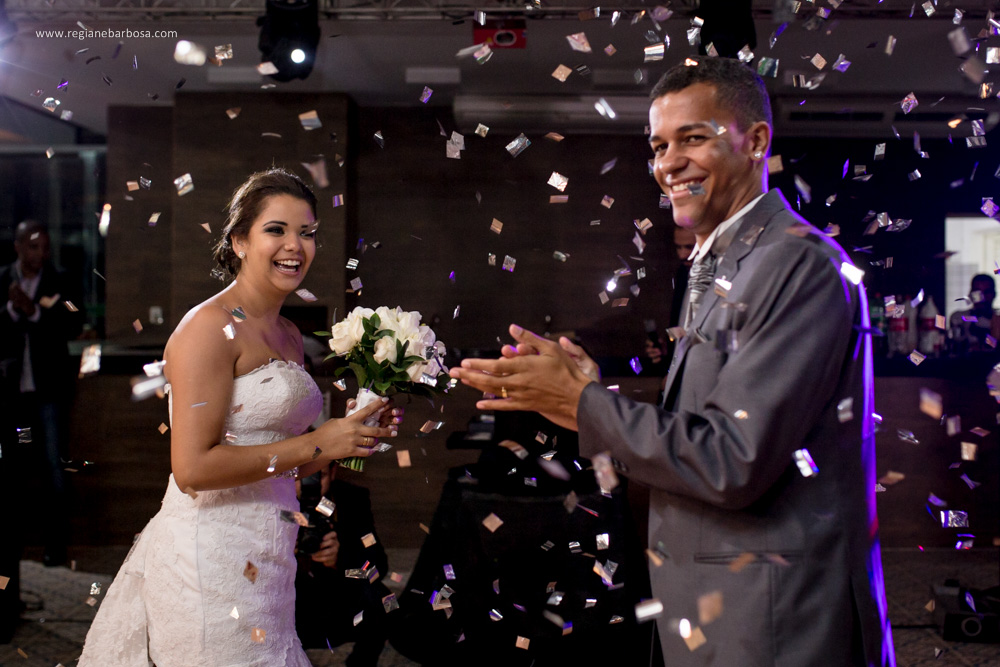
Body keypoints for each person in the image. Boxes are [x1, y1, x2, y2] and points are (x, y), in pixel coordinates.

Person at [450, 57, 895, 666]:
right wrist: (590, 391)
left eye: (693, 139)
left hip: (772, 616)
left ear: (756, 141)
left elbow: (732, 462)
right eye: (659, 145)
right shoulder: (721, 260)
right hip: (714, 603)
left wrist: (583, 406)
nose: (668, 163)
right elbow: (708, 422)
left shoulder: (797, 264)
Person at [77, 168, 401, 666]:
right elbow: (193, 471)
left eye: (307, 232)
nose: (295, 245)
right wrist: (320, 443)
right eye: (277, 229)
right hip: (209, 556)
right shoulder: (208, 327)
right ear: (239, 241)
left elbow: (280, 461)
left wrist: (351, 438)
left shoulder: (291, 335)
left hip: (271, 552)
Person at [0, 220, 84, 571]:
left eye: (45, 248)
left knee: (53, 468)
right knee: (11, 471)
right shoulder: (2, 278)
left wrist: (32, 311)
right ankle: (12, 552)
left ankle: (54, 550)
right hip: (12, 397)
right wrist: (9, 309)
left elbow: (73, 324)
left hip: (49, 395)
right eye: (33, 247)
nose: (40, 254)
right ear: (18, 246)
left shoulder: (59, 281)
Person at [294, 465, 395, 666]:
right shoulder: (272, 501)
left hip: (337, 596)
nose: (308, 486)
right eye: (299, 476)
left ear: (332, 473)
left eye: (317, 476)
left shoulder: (351, 499)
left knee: (386, 601)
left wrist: (341, 560)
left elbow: (378, 567)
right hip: (291, 601)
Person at [949, 273, 1000, 354]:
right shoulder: (959, 317)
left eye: (986, 292)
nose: (981, 297)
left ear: (994, 294)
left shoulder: (997, 320)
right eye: (977, 292)